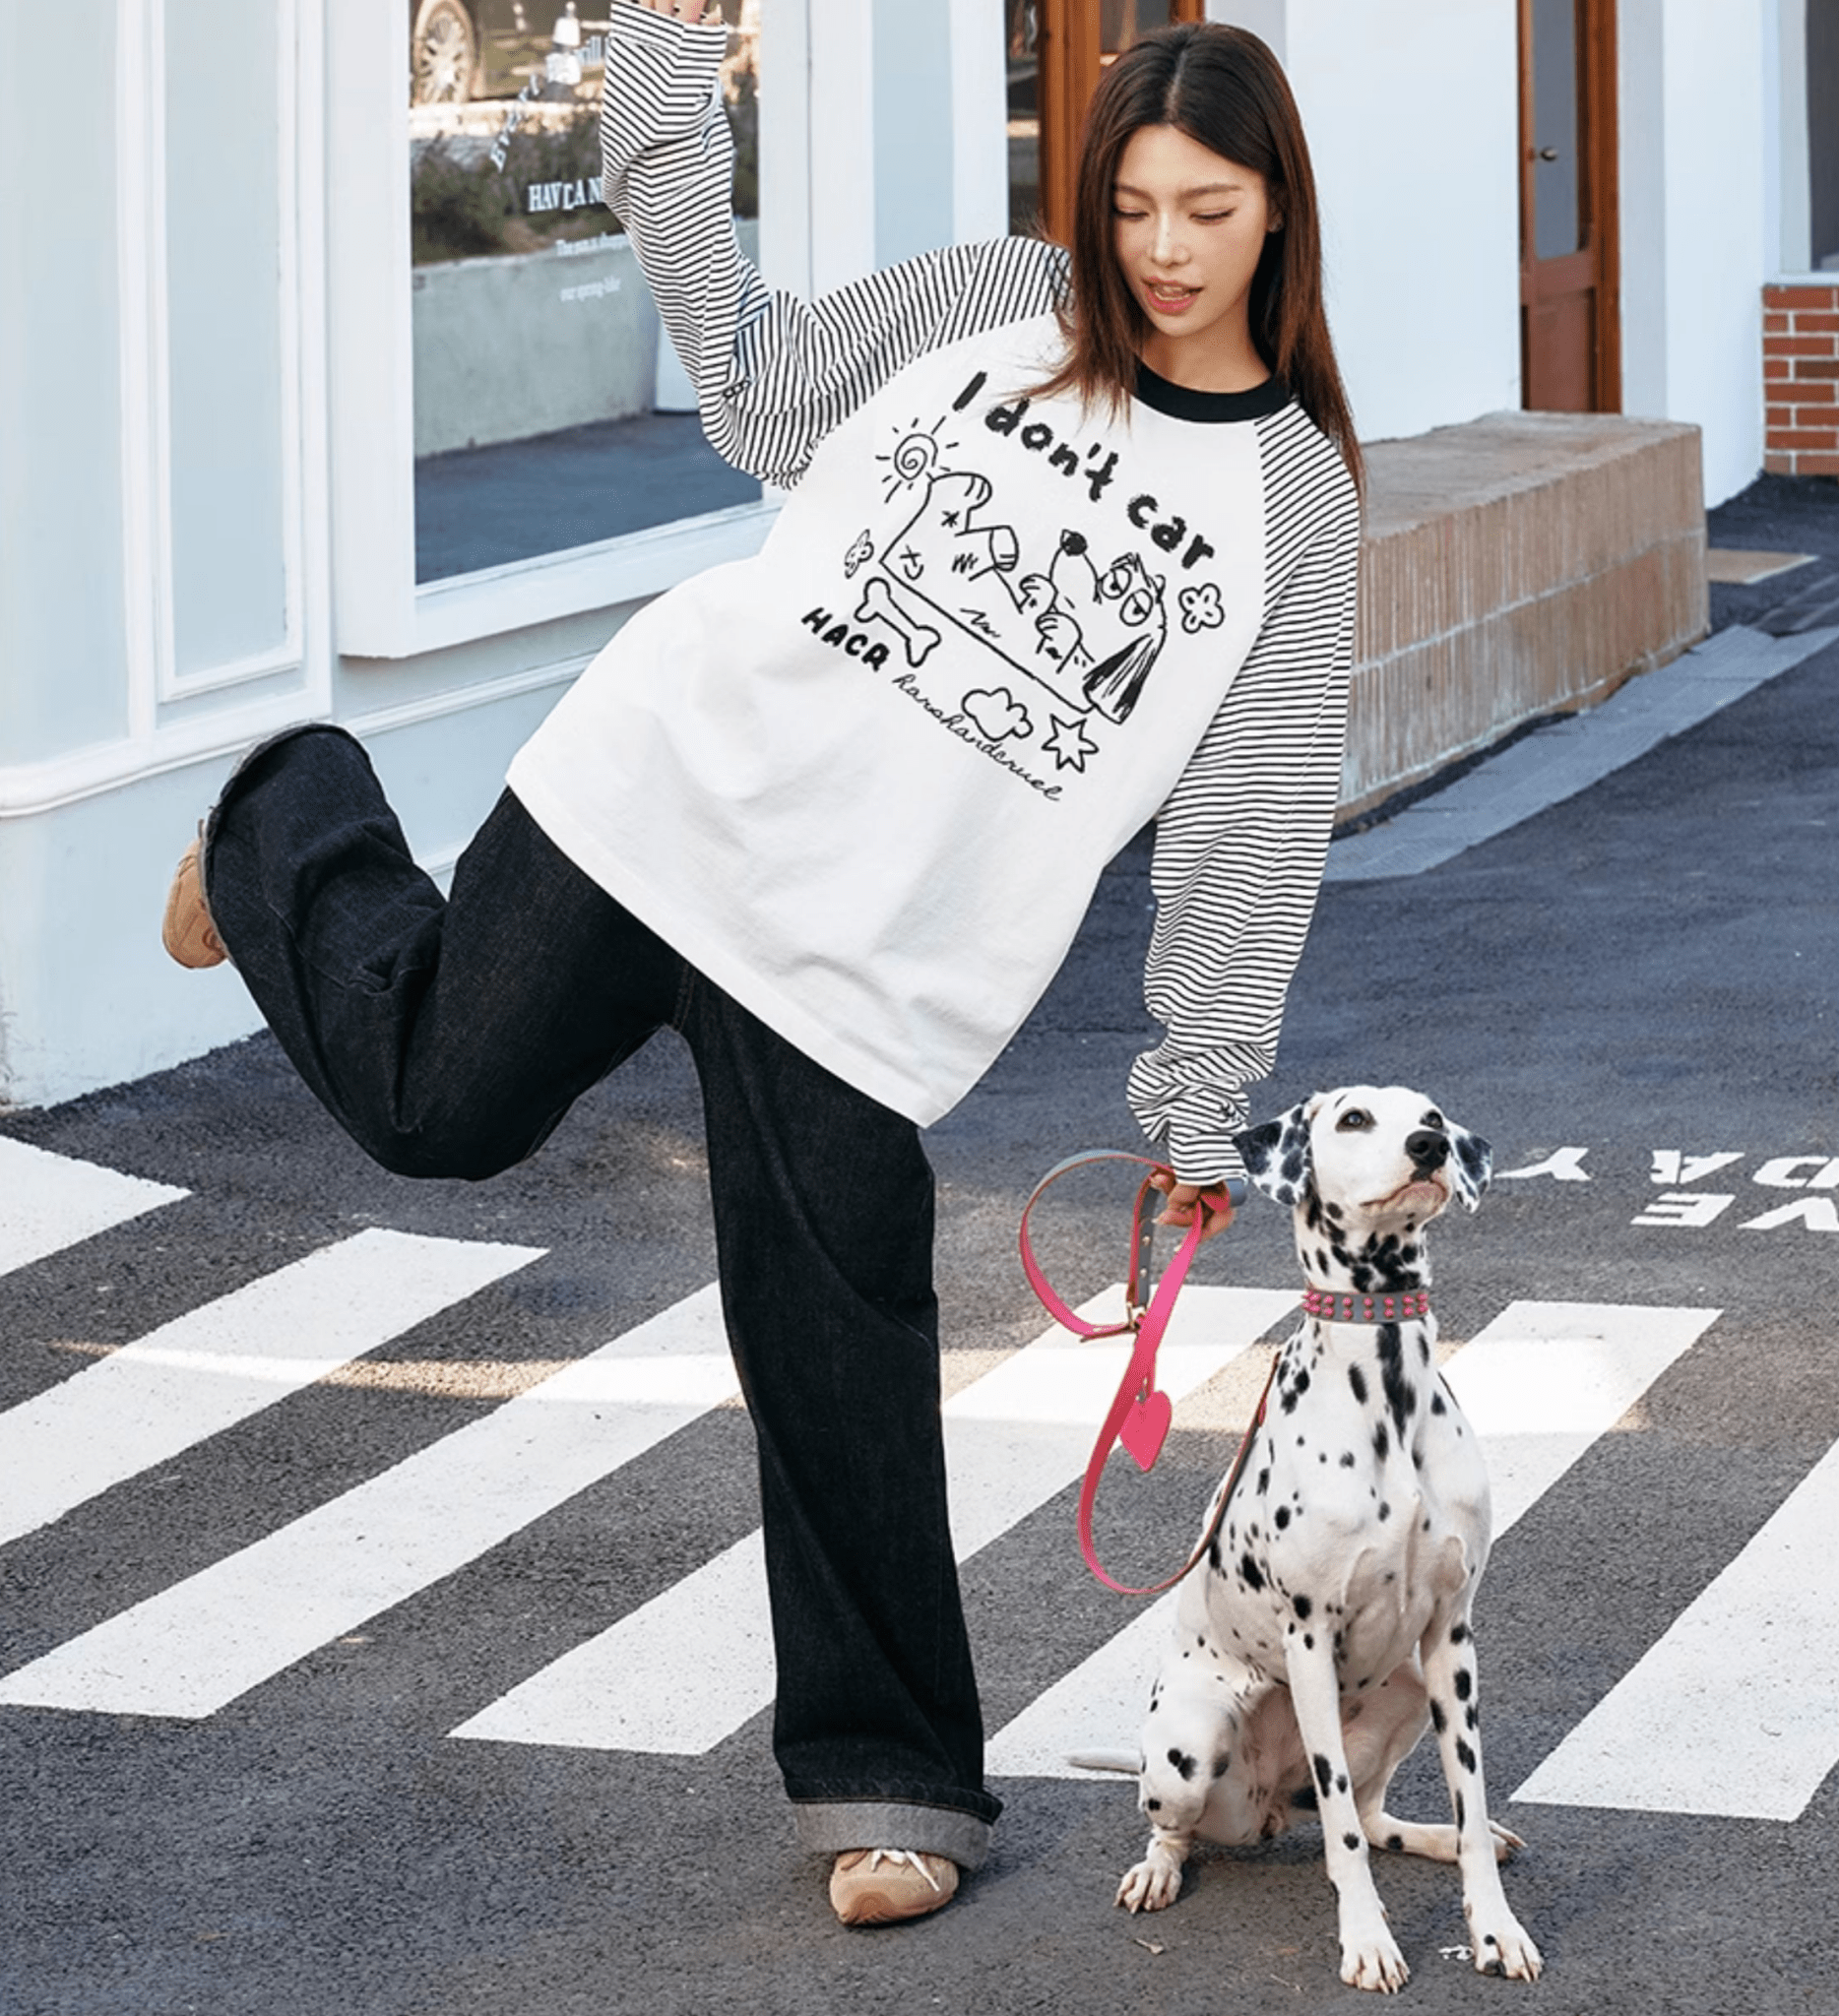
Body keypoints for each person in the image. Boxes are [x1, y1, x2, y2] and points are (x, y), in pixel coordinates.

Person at [160, 0, 1361, 1929]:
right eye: (1132, 204)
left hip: (876, 951)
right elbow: (744, 376)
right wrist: (660, 64)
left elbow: (1247, 823)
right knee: (433, 1111)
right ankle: (282, 814)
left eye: (1205, 211)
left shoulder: (1293, 502)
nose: (1160, 249)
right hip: (673, 780)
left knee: (839, 1342)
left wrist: (1197, 1099)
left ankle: (895, 1790)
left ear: (1277, 211)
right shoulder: (1000, 304)